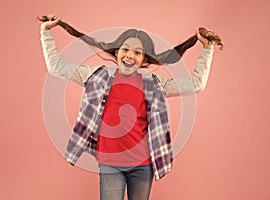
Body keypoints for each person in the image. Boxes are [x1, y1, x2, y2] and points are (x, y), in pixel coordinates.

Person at [39, 14, 218, 200]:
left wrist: (207, 48)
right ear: (117, 53)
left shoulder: (154, 84)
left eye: (138, 53)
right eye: (125, 49)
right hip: (110, 164)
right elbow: (55, 67)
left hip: (143, 165)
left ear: (144, 60)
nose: (130, 56)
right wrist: (45, 32)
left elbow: (196, 84)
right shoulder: (97, 76)